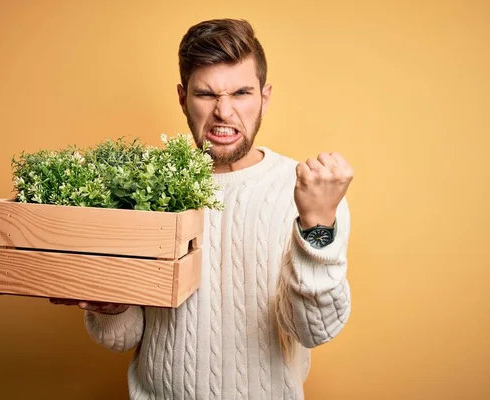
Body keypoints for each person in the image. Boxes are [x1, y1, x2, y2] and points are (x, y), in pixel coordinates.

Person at [52, 18, 353, 399]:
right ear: (183, 98)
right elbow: (124, 338)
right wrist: (111, 306)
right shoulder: (147, 188)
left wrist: (315, 226)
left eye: (242, 92)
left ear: (265, 96)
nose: (224, 112)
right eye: (206, 94)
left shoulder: (310, 192)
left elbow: (314, 330)